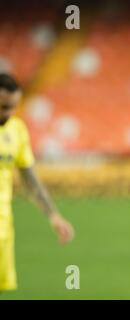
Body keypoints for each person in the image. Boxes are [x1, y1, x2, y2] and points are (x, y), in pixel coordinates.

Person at [0, 73, 74, 292]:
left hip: (4, 227)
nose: (8, 113)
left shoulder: (17, 130)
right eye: (3, 107)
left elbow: (29, 177)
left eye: (13, 107)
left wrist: (53, 215)